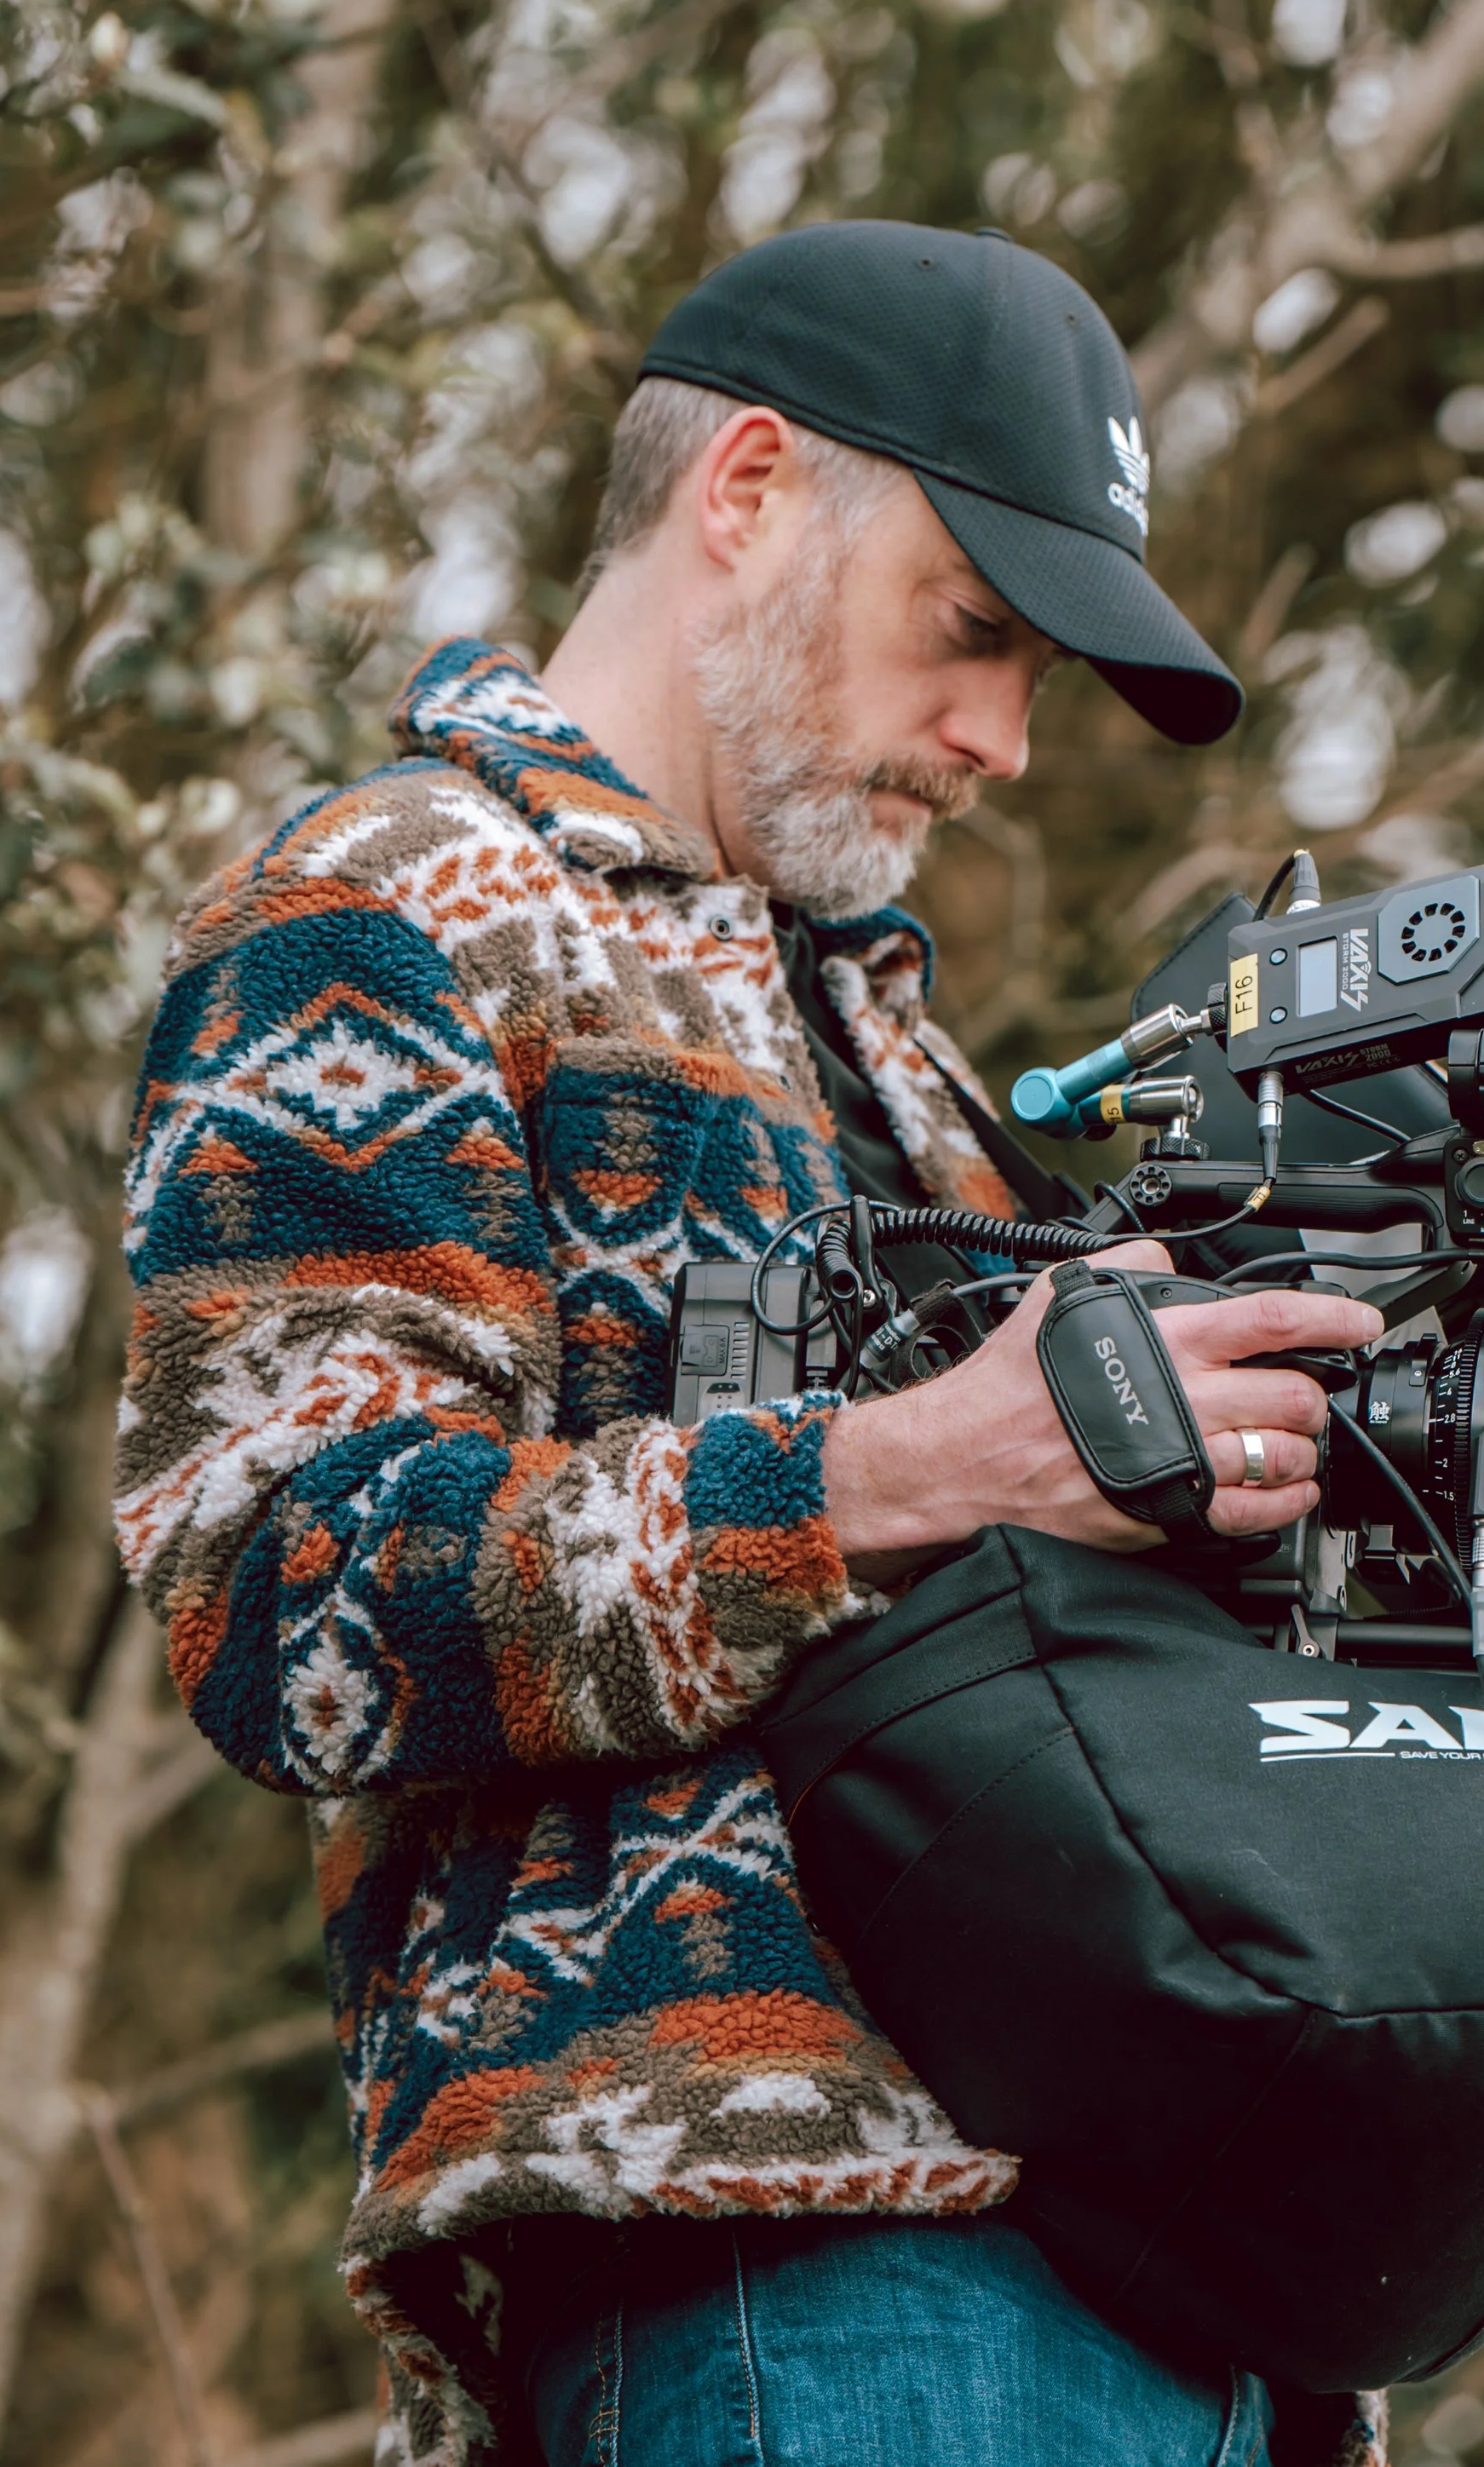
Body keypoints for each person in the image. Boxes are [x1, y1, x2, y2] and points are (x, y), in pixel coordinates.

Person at [115, 222, 1384, 2467]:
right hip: (791, 2258)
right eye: (967, 633)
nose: (997, 739)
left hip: (1187, 2269)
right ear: (750, 493)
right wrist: (919, 1472)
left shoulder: (896, 1044)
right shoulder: (385, 910)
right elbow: (293, 1597)